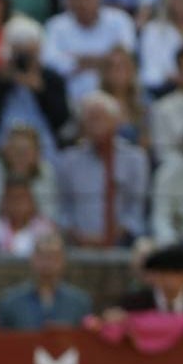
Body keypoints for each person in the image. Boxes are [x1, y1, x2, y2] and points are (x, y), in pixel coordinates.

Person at [0, 16, 71, 161]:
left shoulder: (51, 79)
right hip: (2, 147)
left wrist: (40, 90)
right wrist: (2, 84)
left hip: (45, 148)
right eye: (20, 52)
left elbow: (62, 120)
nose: (24, 59)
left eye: (29, 53)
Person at [56, 91, 149, 247]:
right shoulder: (68, 161)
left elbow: (136, 208)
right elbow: (63, 207)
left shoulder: (135, 158)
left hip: (124, 244)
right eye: (90, 119)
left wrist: (116, 234)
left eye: (101, 119)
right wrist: (77, 235)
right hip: (78, 244)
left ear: (115, 122)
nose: (96, 126)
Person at [42, 0, 136, 105]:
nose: (81, 1)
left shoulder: (120, 20)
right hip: (70, 101)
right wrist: (102, 60)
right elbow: (51, 65)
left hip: (116, 99)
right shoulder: (55, 26)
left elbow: (125, 57)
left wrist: (77, 60)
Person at [104, 243, 183, 339]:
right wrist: (113, 318)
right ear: (156, 276)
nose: (171, 280)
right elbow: (109, 318)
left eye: (177, 273)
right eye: (165, 273)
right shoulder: (133, 303)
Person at [0, 231, 93, 329]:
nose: (47, 263)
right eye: (42, 257)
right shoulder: (10, 301)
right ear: (32, 259)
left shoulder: (79, 302)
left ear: (63, 261)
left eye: (53, 257)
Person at [0, 121, 58, 228]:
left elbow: (50, 218)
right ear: (6, 151)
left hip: (33, 235)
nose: (20, 157)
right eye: (16, 151)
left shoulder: (45, 172)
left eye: (26, 152)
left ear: (37, 154)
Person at [0, 176, 55, 257]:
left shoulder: (44, 229)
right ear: (3, 201)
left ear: (31, 201)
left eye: (21, 198)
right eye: (12, 198)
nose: (17, 203)